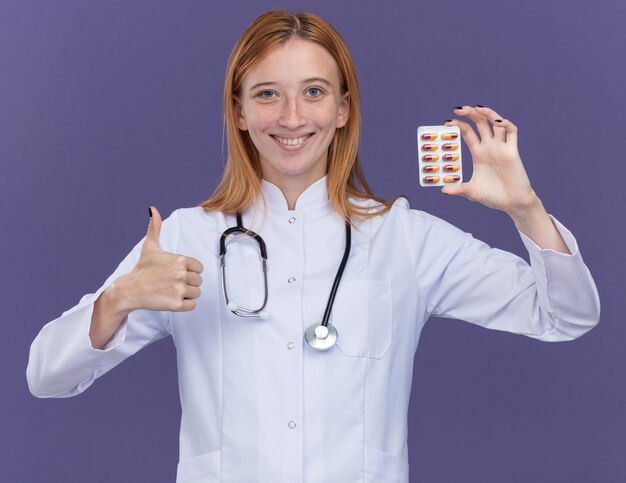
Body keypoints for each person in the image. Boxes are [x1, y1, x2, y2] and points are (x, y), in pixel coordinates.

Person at [26, 9, 600, 483]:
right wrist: (118, 300)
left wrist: (526, 209)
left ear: (343, 108)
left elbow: (567, 315)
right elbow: (45, 376)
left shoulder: (407, 238)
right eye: (268, 94)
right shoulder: (185, 238)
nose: (293, 117)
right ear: (241, 112)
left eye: (315, 92)